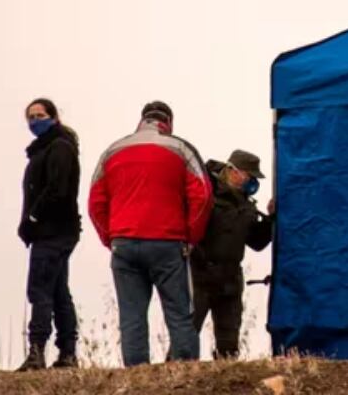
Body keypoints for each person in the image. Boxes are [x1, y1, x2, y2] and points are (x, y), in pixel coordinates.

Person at [88, 101, 213, 366]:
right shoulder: (180, 148)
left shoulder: (112, 151)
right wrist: (191, 238)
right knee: (179, 313)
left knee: (131, 315)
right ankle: (185, 368)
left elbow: (95, 202)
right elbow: (202, 196)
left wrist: (110, 239)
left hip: (123, 243)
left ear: (141, 120)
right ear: (168, 122)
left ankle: (136, 373)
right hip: (168, 242)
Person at [16, 98, 82, 371]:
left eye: (40, 115)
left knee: (40, 289)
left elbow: (57, 188)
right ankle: (67, 352)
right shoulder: (47, 149)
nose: (34, 121)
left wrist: (33, 216)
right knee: (57, 291)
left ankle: (37, 351)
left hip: (53, 231)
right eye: (30, 117)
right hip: (54, 231)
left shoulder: (59, 147)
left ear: (54, 117)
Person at [189, 149, 274, 359]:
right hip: (200, 276)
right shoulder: (205, 192)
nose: (252, 181)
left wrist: (271, 219)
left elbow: (257, 242)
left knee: (228, 344)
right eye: (249, 175)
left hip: (230, 280)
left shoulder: (246, 205)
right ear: (232, 170)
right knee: (187, 335)